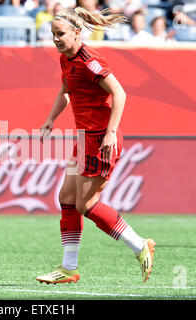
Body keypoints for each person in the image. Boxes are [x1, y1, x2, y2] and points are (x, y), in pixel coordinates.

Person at [36, 6, 156, 284]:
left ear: (77, 33)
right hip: (83, 138)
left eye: (61, 34)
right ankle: (68, 269)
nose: (55, 39)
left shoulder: (90, 60)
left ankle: (140, 245)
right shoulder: (67, 58)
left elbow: (119, 93)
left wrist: (111, 132)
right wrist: (50, 119)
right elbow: (66, 90)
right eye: (53, 34)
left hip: (100, 140)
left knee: (86, 205)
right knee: (66, 199)